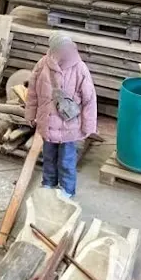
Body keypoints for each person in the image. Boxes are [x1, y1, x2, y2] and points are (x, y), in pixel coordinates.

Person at [25, 32, 97, 198]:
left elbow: (89, 99)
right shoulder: (42, 64)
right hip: (47, 123)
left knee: (66, 160)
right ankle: (48, 183)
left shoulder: (80, 68)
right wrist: (30, 114)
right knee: (48, 157)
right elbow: (32, 93)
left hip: (69, 126)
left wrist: (88, 126)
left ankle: (67, 190)